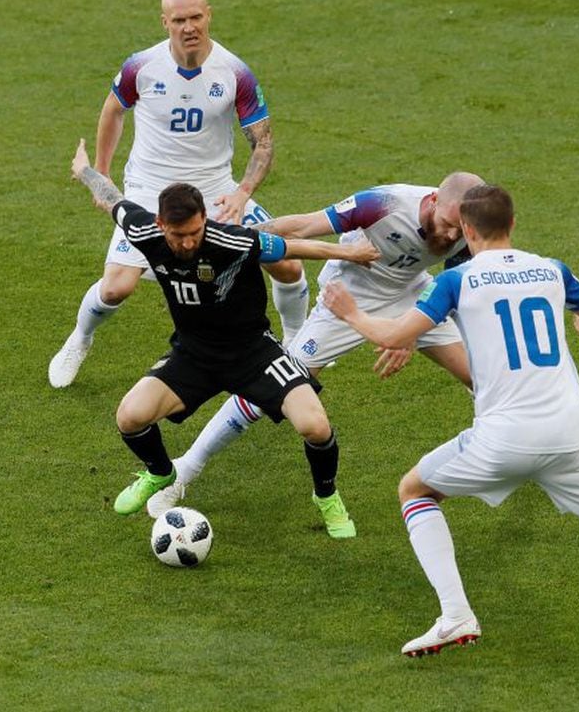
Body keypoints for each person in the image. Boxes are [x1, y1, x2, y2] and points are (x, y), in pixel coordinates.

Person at [321, 184, 579, 670]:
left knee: (415, 491)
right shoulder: (552, 269)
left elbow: (389, 335)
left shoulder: (457, 281)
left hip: (503, 439)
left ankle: (456, 614)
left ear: (466, 230)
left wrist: (350, 312)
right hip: (571, 435)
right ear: (512, 224)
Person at [69, 139, 378, 538]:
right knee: (129, 416)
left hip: (254, 354)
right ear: (161, 225)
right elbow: (111, 199)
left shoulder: (231, 241)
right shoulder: (144, 231)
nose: (188, 242)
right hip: (193, 356)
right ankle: (160, 473)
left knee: (315, 426)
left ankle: (326, 497)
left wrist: (350, 255)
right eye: (179, 234)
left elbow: (292, 247)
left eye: (196, 231)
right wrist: (84, 172)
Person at [145, 173, 485, 518]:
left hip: (413, 293)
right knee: (273, 387)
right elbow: (304, 225)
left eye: (461, 229)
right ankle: (186, 467)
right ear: (433, 201)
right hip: (347, 298)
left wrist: (410, 329)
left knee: (479, 375)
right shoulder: (382, 204)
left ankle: (503, 447)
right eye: (448, 224)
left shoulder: (469, 225)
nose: (453, 235)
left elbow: (453, 285)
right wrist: (226, 240)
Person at [49, 0, 308, 388]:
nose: (190, 27)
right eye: (180, 19)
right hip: (151, 188)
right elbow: (113, 111)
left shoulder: (235, 71)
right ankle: (80, 338)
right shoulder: (142, 66)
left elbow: (263, 141)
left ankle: (296, 345)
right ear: (165, 21)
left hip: (214, 188)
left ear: (209, 15)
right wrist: (102, 172)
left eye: (196, 17)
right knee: (116, 288)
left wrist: (242, 192)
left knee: (288, 264)